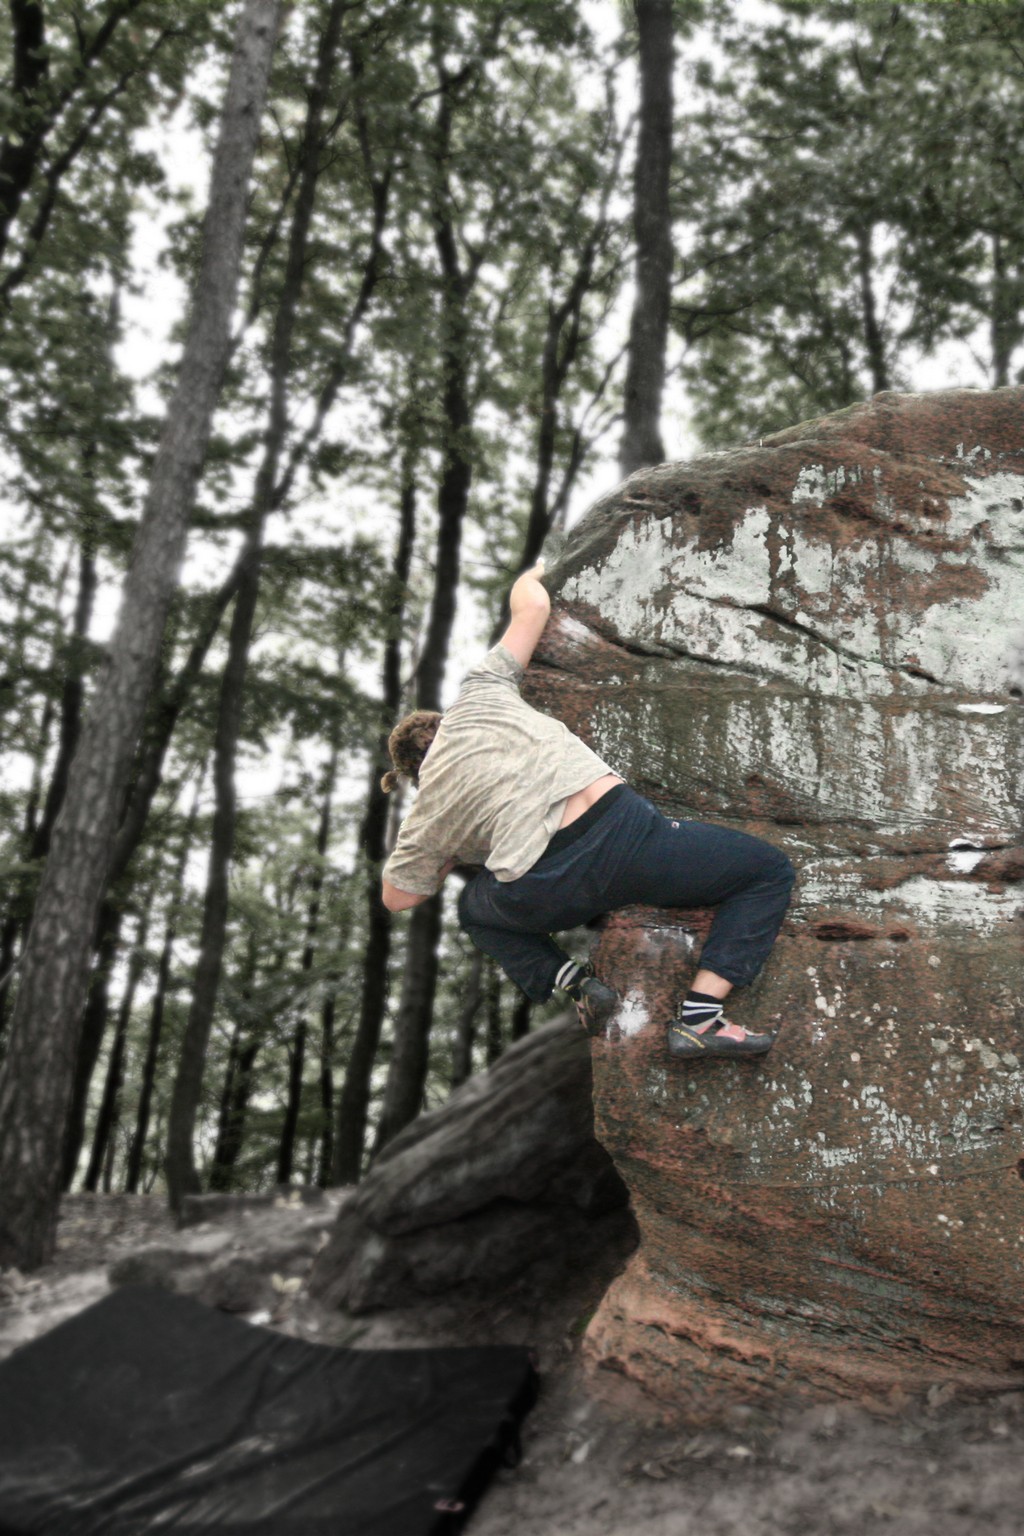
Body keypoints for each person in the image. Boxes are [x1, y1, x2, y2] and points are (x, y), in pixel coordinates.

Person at [380, 562, 795, 1057]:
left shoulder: (426, 813)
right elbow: (533, 605)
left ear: (412, 774)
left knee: (475, 911)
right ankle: (699, 1020)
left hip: (547, 886)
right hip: (630, 843)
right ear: (441, 721)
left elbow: (398, 899)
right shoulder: (479, 695)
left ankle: (573, 981)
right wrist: (537, 569)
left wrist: (449, 851)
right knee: (766, 871)